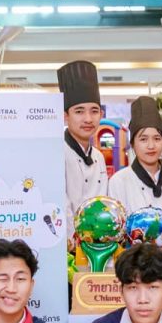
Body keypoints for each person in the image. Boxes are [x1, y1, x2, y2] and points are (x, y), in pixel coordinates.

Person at [106, 95, 162, 213]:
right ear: (132, 144)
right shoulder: (118, 181)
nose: (151, 146)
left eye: (157, 138)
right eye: (143, 139)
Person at [59, 59, 108, 217]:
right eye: (79, 111)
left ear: (101, 114)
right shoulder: (57, 153)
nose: (88, 119)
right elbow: (60, 208)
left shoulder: (99, 156)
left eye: (94, 111)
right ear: (65, 116)